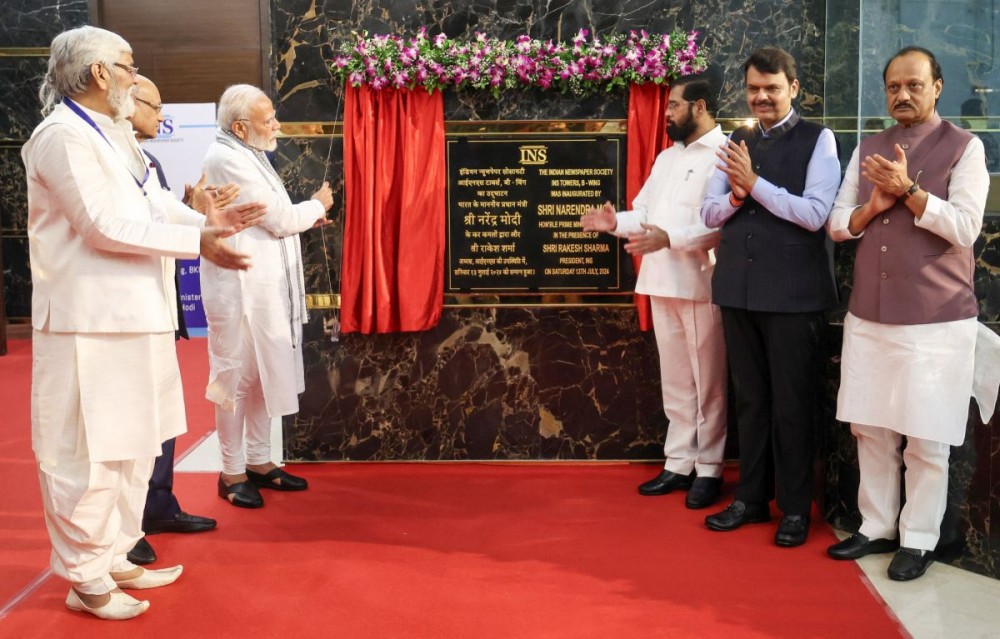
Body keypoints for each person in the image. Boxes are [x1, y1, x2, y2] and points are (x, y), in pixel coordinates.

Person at [24, 26, 263, 620]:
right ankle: (84, 575)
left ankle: (114, 552)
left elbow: (153, 206)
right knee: (89, 454)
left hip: (138, 316)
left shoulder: (113, 136)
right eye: (130, 65)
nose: (138, 76)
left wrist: (208, 222)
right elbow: (101, 225)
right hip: (89, 323)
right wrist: (198, 240)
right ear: (101, 73)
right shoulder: (61, 136)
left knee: (136, 448)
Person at [825, 46, 990, 581]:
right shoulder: (868, 146)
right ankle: (875, 526)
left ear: (937, 86)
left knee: (926, 436)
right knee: (869, 426)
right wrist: (873, 206)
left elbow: (966, 227)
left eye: (914, 85)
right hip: (869, 313)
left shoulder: (965, 147)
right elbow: (835, 225)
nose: (903, 95)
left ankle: (918, 538)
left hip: (937, 318)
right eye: (894, 86)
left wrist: (912, 193)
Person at [700, 47, 841, 547]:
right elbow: (709, 214)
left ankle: (797, 508)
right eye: (754, 88)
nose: (762, 97)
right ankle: (751, 498)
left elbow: (815, 214)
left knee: (792, 404)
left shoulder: (819, 139)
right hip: (738, 289)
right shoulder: (737, 139)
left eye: (772, 88)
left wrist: (754, 185)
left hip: (794, 295)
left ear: (794, 88)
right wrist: (737, 195)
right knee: (752, 401)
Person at [580, 73, 728, 509]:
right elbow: (644, 211)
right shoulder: (667, 158)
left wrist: (670, 238)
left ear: (700, 106)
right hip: (662, 280)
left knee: (709, 384)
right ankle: (678, 461)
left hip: (701, 282)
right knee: (678, 381)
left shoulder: (726, 152)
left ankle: (710, 468)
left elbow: (719, 222)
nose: (667, 113)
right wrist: (615, 223)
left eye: (674, 105)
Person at [201, 84, 333, 508]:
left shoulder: (248, 153)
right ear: (240, 127)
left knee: (260, 378)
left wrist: (302, 216)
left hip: (262, 287)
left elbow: (271, 218)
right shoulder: (225, 157)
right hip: (238, 290)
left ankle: (259, 461)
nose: (276, 124)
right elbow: (277, 220)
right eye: (267, 119)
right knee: (235, 382)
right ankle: (231, 472)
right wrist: (315, 205)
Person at [123, 75, 228, 566]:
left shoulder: (149, 160)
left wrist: (192, 210)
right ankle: (125, 526)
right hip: (124, 313)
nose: (162, 117)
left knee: (163, 415)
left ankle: (158, 505)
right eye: (155, 105)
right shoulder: (100, 156)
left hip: (159, 306)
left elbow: (160, 220)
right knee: (132, 425)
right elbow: (126, 230)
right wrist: (198, 229)